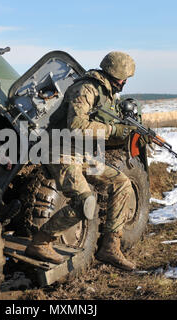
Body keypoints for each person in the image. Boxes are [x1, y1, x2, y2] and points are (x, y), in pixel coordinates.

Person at [25, 51, 144, 271]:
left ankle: (110, 246)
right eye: (124, 77)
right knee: (84, 203)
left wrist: (124, 131)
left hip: (82, 155)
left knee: (122, 183)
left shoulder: (108, 94)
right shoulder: (86, 89)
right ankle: (40, 242)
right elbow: (77, 127)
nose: (125, 82)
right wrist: (112, 130)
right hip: (60, 151)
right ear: (114, 74)